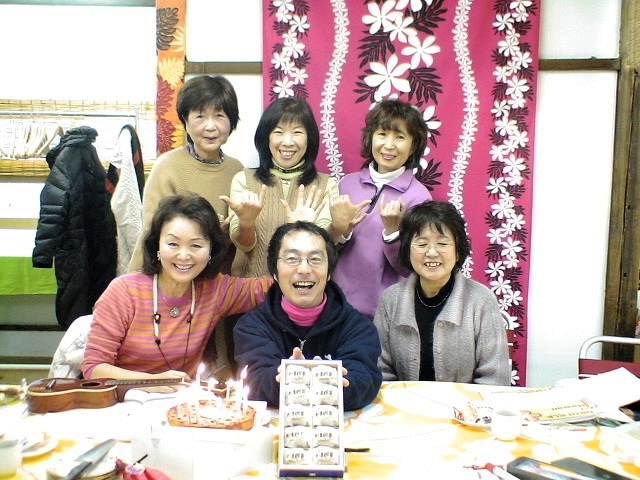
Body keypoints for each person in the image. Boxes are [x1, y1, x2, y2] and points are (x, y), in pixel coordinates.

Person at [83, 193, 271, 381]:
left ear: (211, 250)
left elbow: (275, 286)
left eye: (196, 245)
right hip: (123, 398)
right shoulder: (123, 291)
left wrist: (288, 229)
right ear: (157, 245)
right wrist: (154, 382)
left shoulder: (215, 290)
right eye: (173, 244)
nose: (183, 256)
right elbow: (94, 368)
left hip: (180, 398)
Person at [233, 221, 382, 411]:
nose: (304, 270)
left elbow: (365, 380)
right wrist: (288, 379)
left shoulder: (358, 327)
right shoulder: (251, 326)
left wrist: (331, 383)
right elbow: (254, 380)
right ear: (275, 273)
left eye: (315, 259)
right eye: (292, 259)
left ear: (329, 272)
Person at [373, 200, 510, 385]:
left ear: (458, 251)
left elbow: (495, 378)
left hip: (468, 404)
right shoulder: (390, 300)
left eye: (442, 243)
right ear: (407, 250)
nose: (431, 252)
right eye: (422, 244)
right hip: (402, 403)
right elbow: (380, 371)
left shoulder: (481, 300)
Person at [128, 75, 243, 273]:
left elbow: (240, 239)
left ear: (231, 121)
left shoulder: (237, 170)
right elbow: (151, 232)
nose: (210, 126)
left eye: (219, 116)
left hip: (217, 279)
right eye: (200, 116)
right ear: (185, 121)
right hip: (171, 274)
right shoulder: (167, 167)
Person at [330, 99, 432, 320]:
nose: (389, 145)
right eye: (382, 134)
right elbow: (326, 251)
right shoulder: (346, 184)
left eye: (400, 137)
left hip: (385, 315)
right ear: (371, 137)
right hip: (336, 307)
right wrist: (340, 230)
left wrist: (393, 233)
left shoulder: (419, 197)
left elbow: (411, 268)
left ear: (414, 145)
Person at [221, 97, 341, 279]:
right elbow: (244, 245)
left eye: (297, 132)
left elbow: (326, 247)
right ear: (266, 137)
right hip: (250, 290)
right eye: (278, 132)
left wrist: (327, 227)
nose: (288, 142)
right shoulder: (244, 179)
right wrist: (246, 222)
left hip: (303, 287)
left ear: (309, 138)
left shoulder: (325, 184)